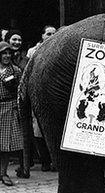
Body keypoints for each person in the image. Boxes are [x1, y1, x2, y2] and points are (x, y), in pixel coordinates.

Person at [27, 25, 56, 172]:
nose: (51, 36)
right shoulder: (33, 51)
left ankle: (54, 160)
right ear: (42, 36)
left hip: (53, 93)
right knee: (38, 129)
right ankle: (44, 160)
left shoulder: (59, 49)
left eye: (54, 33)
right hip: (38, 92)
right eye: (48, 33)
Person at [4, 30, 29, 177]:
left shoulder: (24, 59)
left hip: (21, 99)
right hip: (6, 100)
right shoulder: (5, 58)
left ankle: (24, 166)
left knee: (23, 134)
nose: (17, 42)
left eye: (19, 40)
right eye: (14, 39)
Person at [0, 42, 23, 186]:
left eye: (9, 53)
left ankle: (3, 173)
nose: (7, 56)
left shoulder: (15, 70)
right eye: (4, 53)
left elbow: (20, 91)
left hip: (9, 107)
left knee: (5, 144)